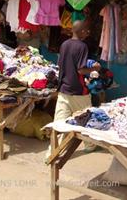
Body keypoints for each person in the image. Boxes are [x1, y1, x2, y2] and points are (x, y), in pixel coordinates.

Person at [45, 20, 100, 161]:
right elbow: (81, 69)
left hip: (64, 89)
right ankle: (89, 145)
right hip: (78, 92)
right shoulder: (82, 46)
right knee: (87, 120)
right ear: (81, 31)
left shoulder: (64, 44)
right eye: (87, 30)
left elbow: (62, 64)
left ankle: (51, 153)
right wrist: (95, 69)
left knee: (59, 124)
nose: (88, 32)